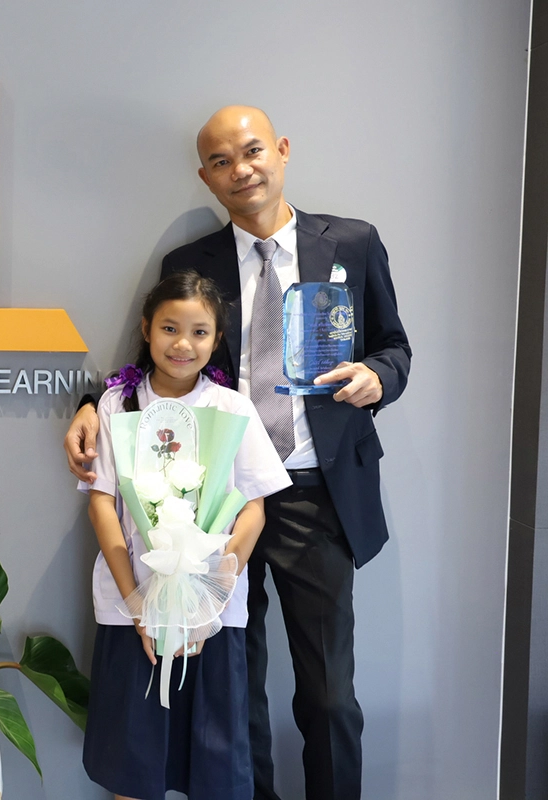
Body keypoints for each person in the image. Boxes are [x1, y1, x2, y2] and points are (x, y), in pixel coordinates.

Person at [69, 106, 411, 800]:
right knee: (234, 688)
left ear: (281, 150)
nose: (241, 170)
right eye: (221, 161)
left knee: (329, 695)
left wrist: (379, 377)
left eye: (252, 151)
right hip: (213, 506)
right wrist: (87, 401)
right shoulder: (189, 263)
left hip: (316, 493)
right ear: (206, 177)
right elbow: (159, 358)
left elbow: (394, 346)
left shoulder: (351, 242)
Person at [82, 271, 291, 800]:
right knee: (133, 765)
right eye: (170, 328)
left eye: (199, 332)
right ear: (147, 329)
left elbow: (253, 509)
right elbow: (103, 504)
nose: (182, 344)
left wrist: (210, 594)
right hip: (130, 609)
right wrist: (137, 604)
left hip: (211, 621)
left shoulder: (231, 409)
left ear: (217, 340)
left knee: (214, 767)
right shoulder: (117, 405)